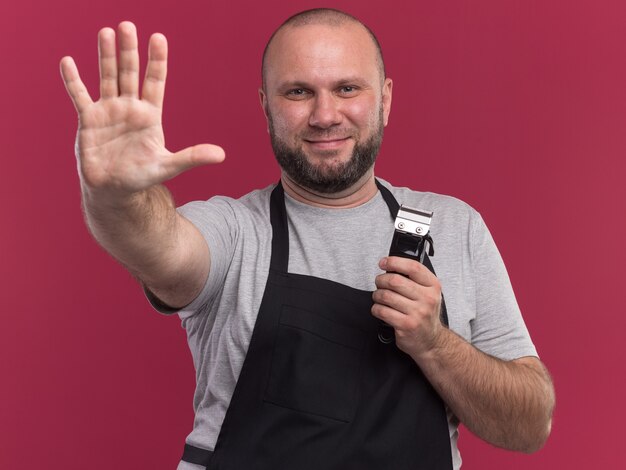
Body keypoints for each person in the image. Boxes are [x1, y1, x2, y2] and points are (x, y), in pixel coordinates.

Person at [60, 8, 555, 470]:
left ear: (384, 100)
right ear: (265, 105)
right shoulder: (235, 231)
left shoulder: (454, 227)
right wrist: (116, 197)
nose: (324, 115)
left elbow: (529, 425)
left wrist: (433, 343)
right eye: (298, 92)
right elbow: (157, 245)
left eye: (346, 88)